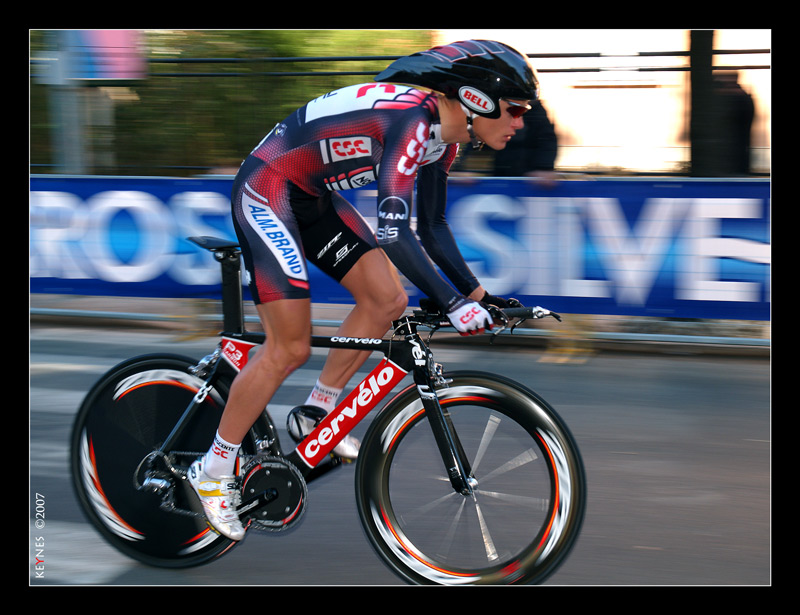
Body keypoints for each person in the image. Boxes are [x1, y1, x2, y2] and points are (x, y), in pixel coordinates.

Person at [188, 39, 541, 540]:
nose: (520, 123)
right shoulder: (413, 122)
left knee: (387, 300)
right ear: (477, 99)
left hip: (313, 196)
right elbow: (394, 233)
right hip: (268, 188)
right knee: (289, 346)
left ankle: (317, 411)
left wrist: (479, 297)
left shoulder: (445, 139)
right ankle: (213, 469)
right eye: (516, 110)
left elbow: (432, 226)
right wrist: (453, 304)